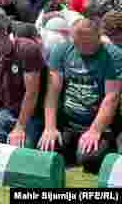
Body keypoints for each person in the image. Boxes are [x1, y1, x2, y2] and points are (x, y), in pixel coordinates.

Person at [40, 16, 122, 173]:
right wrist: (50, 127)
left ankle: (104, 146)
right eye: (77, 43)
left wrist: (95, 130)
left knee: (89, 160)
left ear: (99, 37)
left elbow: (111, 97)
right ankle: (73, 149)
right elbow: (53, 91)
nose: (82, 47)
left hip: (99, 125)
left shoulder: (114, 55)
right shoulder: (61, 50)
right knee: (46, 151)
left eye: (87, 43)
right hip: (68, 123)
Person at [0, 8, 45, 147]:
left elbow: (31, 93)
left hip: (32, 115)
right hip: (6, 112)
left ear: (4, 33)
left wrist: (20, 127)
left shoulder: (27, 49)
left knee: (22, 152)